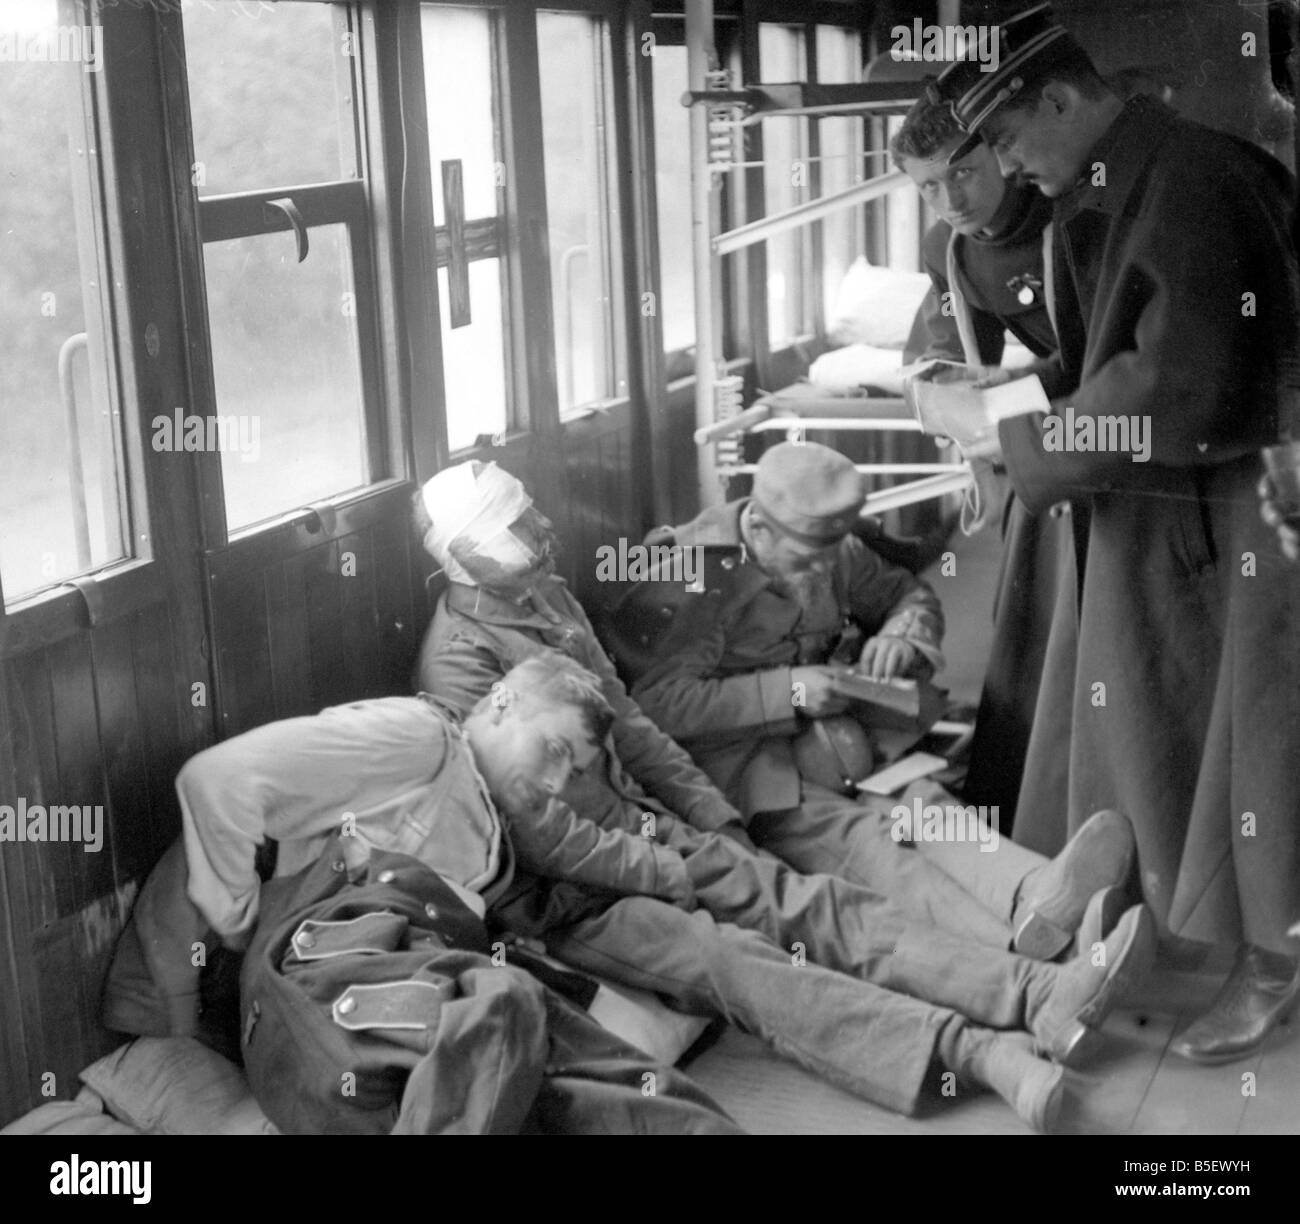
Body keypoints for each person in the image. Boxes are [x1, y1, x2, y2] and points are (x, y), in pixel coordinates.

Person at [931, 1, 1300, 1062]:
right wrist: (1014, 401)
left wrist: (1032, 443)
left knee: (1256, 754)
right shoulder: (1123, 182)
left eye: (1004, 138)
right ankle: (1187, 940)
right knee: (1171, 742)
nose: (1003, 165)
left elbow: (1177, 378)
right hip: (1176, 510)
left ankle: (1265, 963)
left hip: (1243, 510)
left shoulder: (1192, 183)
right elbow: (1109, 351)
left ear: (1061, 99)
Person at [610, 441, 1131, 956]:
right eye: (810, 559)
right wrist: (788, 690)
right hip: (743, 768)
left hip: (837, 738)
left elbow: (909, 594)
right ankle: (1035, 952)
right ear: (760, 529)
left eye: (832, 555)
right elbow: (653, 706)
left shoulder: (828, 546)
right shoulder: (689, 573)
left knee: (923, 803)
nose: (826, 570)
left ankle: (1037, 889)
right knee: (866, 843)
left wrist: (900, 635)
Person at [893, 88, 1075, 831]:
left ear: (1001, 151)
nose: (948, 199)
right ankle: (1018, 792)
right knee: (1029, 618)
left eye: (961, 174)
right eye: (928, 187)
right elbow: (940, 355)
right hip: (1035, 439)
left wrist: (1019, 387)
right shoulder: (950, 250)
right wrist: (950, 388)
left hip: (1096, 426)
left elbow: (1110, 354)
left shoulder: (1072, 221)